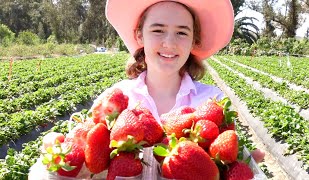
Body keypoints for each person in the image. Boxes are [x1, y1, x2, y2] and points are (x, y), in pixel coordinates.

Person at [29, 0, 264, 179]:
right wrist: (59, 152)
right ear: (140, 35)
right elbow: (86, 161)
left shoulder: (213, 101)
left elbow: (223, 167)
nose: (169, 42)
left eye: (182, 32)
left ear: (194, 41)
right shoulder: (114, 100)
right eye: (158, 30)